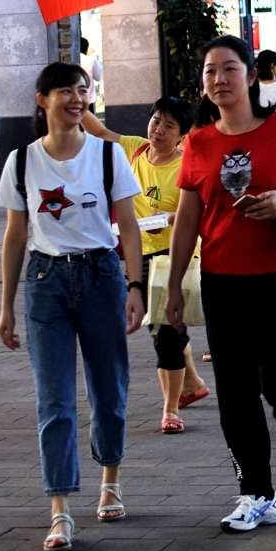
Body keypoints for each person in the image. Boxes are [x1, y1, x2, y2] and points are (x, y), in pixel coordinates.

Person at [164, 35, 276, 532]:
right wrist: (174, 285)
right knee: (235, 392)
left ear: (249, 75)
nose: (219, 79)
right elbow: (186, 219)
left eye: (229, 69)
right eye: (210, 72)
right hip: (224, 280)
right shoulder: (197, 142)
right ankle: (258, 494)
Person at [0, 62, 145, 551]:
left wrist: (136, 286)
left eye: (83, 90)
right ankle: (59, 510)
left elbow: (128, 227)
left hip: (102, 278)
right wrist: (6, 305)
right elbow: (16, 235)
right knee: (54, 400)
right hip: (45, 284)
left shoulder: (107, 156)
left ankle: (111, 479)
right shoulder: (21, 162)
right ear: (43, 100)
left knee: (109, 388)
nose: (77, 98)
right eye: (66, 91)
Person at [80, 100, 210, 434]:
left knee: (165, 333)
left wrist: (168, 218)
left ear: (182, 135)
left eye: (169, 127)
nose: (159, 131)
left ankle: (170, 408)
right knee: (163, 324)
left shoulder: (186, 165)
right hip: (140, 254)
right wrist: (77, 103)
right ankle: (192, 382)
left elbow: (196, 212)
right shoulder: (135, 150)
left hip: (176, 254)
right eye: (155, 122)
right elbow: (99, 131)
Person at [79, 38, 103, 114]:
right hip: (89, 99)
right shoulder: (91, 60)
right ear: (87, 48)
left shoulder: (72, 61)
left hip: (75, 101)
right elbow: (98, 77)